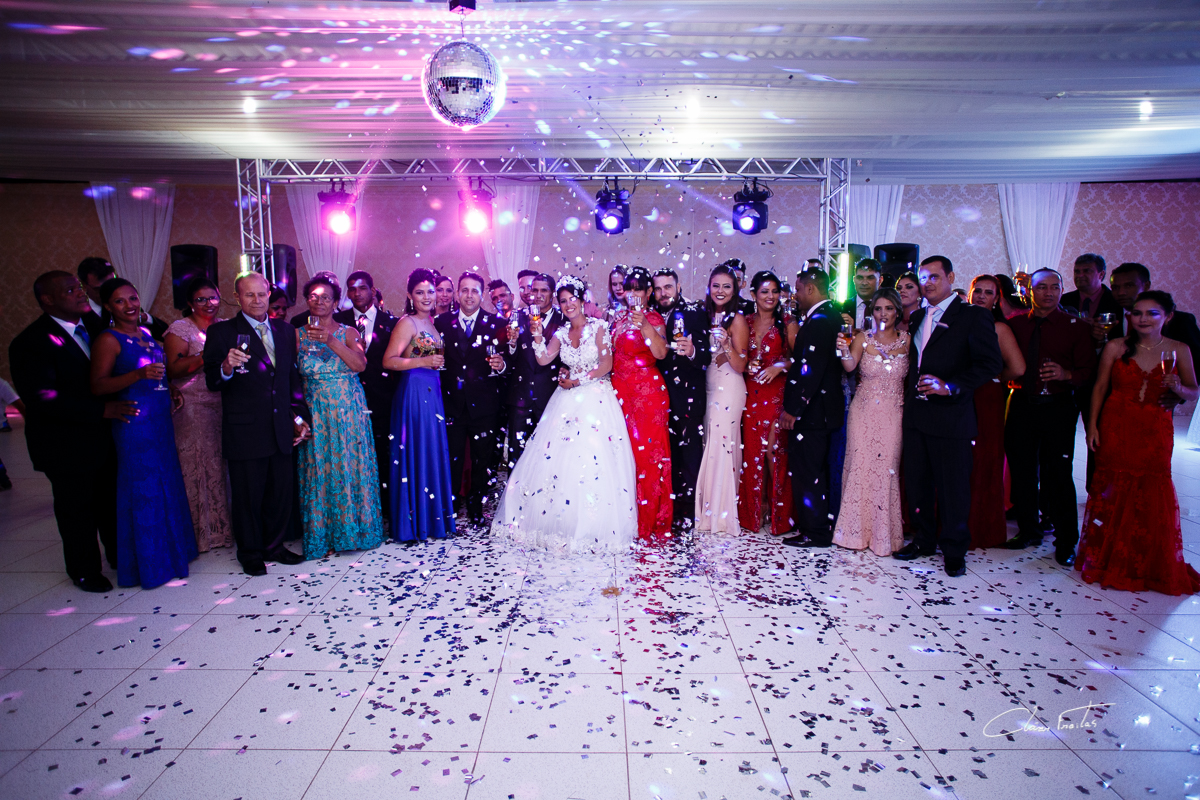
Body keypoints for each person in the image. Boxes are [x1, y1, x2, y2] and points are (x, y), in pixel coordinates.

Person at [9, 271, 134, 592]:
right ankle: (84, 570)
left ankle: (119, 556)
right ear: (47, 300)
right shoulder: (30, 342)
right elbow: (42, 398)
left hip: (105, 436)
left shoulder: (95, 327)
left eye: (78, 287)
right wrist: (100, 409)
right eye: (69, 290)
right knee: (76, 509)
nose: (79, 294)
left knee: (109, 500)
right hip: (63, 443)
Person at [492, 277, 637, 553]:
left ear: (582, 301)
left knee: (592, 459)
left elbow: (606, 364)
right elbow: (544, 359)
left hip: (595, 398)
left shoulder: (599, 327)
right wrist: (537, 337)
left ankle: (593, 525)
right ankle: (558, 522)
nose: (568, 304)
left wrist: (579, 380)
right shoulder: (559, 333)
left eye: (573, 299)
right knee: (557, 459)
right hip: (566, 400)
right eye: (563, 300)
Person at [1080, 291, 1200, 595]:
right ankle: (1107, 557)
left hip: (1155, 427)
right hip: (1117, 423)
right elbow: (1100, 387)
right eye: (1137, 313)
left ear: (1168, 317)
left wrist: (1179, 387)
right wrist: (1092, 425)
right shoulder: (1116, 347)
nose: (1143, 319)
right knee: (1113, 488)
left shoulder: (1178, 349)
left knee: (1152, 489)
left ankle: (1146, 561)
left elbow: (1194, 392)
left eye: (1152, 313)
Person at [893, 256, 1003, 576]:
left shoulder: (971, 317)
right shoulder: (915, 318)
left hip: (952, 416)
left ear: (951, 277)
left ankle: (954, 549)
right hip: (916, 415)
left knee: (953, 487)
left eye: (934, 278)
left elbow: (990, 364)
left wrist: (950, 386)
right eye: (923, 278)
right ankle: (924, 540)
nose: (927, 284)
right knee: (918, 483)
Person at [90, 278, 197, 588]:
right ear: (109, 307)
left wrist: (171, 391)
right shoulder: (108, 340)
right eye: (121, 301)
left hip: (160, 420)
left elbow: (159, 376)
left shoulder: (148, 335)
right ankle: (148, 564)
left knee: (167, 483)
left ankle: (174, 553)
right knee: (143, 490)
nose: (130, 305)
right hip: (134, 423)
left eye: (133, 298)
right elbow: (97, 385)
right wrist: (137, 374)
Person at [203, 271, 310, 576]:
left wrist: (300, 419)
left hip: (280, 427)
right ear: (237, 297)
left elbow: (291, 380)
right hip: (245, 429)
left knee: (279, 492)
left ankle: (274, 545)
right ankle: (250, 552)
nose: (256, 300)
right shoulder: (222, 333)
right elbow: (213, 380)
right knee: (248, 496)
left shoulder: (285, 330)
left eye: (261, 294)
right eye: (248, 295)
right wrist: (226, 366)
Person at [1004, 269, 1096, 565]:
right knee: (1022, 470)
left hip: (1058, 406)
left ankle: (1067, 540)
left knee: (1058, 474)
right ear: (1028, 289)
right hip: (1022, 402)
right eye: (1041, 287)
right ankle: (1029, 530)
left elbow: (1089, 373)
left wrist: (1066, 374)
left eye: (1054, 287)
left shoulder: (1076, 327)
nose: (1048, 293)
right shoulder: (1016, 325)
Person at [294, 274, 385, 558]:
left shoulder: (349, 332)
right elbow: (289, 378)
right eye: (313, 296)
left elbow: (360, 364)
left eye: (326, 297)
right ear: (307, 300)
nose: (319, 301)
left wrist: (331, 341)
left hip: (348, 410)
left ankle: (357, 531)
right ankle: (324, 535)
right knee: (319, 470)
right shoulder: (295, 335)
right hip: (316, 410)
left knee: (350, 466)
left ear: (335, 303)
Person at [832, 288, 909, 555]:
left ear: (897, 311)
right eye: (878, 309)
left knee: (887, 469)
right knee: (859, 468)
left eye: (888, 308)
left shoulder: (907, 340)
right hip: (862, 411)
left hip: (893, 412)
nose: (883, 313)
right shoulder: (863, 338)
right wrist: (843, 350)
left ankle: (883, 536)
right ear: (871, 312)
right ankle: (852, 533)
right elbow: (850, 366)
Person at [382, 268, 456, 543]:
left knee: (430, 451)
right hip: (413, 392)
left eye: (431, 291)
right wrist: (422, 362)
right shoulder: (408, 323)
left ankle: (431, 521)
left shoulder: (433, 324)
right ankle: (414, 524)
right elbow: (388, 361)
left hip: (432, 392)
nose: (427, 297)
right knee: (416, 450)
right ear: (410, 296)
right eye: (420, 292)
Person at [164, 277, 233, 552]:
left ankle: (225, 529)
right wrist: (209, 353)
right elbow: (174, 369)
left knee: (222, 465)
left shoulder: (225, 326)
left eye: (213, 298)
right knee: (198, 467)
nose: (209, 304)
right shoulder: (180, 329)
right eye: (201, 299)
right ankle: (201, 534)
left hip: (224, 402)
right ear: (190, 304)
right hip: (193, 405)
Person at [435, 272, 508, 526]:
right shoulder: (441, 322)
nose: (468, 295)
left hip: (485, 404)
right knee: (452, 458)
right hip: (451, 403)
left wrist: (500, 366)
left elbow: (508, 360)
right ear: (457, 293)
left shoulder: (497, 324)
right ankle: (451, 506)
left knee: (482, 460)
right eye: (464, 290)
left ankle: (477, 507)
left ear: (482, 294)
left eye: (474, 291)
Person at [779, 268, 844, 548]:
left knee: (810, 472)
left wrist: (794, 409)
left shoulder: (819, 320)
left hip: (814, 412)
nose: (795, 295)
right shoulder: (829, 315)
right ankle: (814, 527)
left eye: (797, 289)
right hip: (821, 411)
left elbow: (810, 371)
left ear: (809, 289)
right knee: (813, 471)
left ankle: (815, 532)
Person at [610, 266, 674, 538]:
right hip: (619, 391)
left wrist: (645, 325)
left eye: (639, 288)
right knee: (622, 456)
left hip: (647, 394)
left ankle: (649, 520)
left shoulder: (653, 317)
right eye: (630, 288)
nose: (633, 294)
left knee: (648, 458)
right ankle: (624, 518)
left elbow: (660, 353)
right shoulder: (616, 316)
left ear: (649, 292)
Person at [965, 275, 1026, 549]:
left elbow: (1019, 368)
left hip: (987, 398)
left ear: (996, 299)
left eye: (988, 293)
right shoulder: (957, 321)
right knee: (960, 461)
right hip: (960, 396)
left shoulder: (999, 327)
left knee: (984, 459)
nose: (980, 296)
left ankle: (981, 527)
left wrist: (996, 377)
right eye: (977, 291)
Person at [333, 270, 400, 516]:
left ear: (372, 290)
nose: (357, 293)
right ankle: (358, 509)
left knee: (383, 453)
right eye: (352, 289)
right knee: (352, 454)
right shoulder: (338, 321)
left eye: (362, 288)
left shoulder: (392, 322)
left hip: (382, 399)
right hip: (346, 398)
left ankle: (383, 509)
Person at [738, 271, 797, 535]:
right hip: (750, 393)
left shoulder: (788, 323)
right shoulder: (745, 322)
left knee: (774, 453)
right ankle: (755, 510)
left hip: (776, 394)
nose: (770, 296)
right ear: (753, 295)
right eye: (764, 291)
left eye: (774, 291)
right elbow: (738, 356)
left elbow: (799, 359)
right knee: (752, 455)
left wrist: (781, 365)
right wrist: (747, 364)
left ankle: (779, 515)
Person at [652, 268, 712, 529]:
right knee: (667, 454)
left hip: (687, 396)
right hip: (657, 396)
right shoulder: (650, 314)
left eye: (668, 287)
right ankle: (666, 507)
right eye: (658, 288)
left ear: (679, 288)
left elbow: (706, 356)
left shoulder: (694, 312)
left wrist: (692, 351)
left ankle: (687, 513)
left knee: (688, 455)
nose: (663, 293)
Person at [695, 265, 750, 534]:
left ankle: (720, 515)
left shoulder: (737, 319)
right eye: (716, 285)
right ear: (709, 288)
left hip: (729, 385)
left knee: (721, 445)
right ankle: (708, 509)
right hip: (708, 385)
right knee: (709, 443)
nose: (720, 291)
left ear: (735, 290)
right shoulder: (702, 315)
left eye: (726, 286)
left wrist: (726, 345)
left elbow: (741, 364)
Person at [505, 273, 565, 464]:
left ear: (553, 293)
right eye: (535, 290)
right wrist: (512, 343)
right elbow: (510, 357)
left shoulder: (564, 319)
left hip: (551, 396)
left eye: (544, 290)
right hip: (520, 397)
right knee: (517, 454)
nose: (538, 295)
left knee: (548, 454)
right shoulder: (518, 317)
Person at [1109, 262, 1200, 365]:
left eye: (1129, 285)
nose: (1121, 292)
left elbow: (1196, 362)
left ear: (1146, 285)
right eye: (1115, 287)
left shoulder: (1181, 321)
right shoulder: (1110, 320)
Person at [77, 257, 170, 341]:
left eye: (113, 285)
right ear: (84, 285)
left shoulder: (127, 304)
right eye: (100, 289)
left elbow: (165, 335)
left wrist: (146, 318)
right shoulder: (78, 312)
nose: (109, 293)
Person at [839, 258, 881, 330]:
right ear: (854, 280)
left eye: (870, 278)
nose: (864, 283)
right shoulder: (842, 308)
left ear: (880, 280)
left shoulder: (888, 308)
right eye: (860, 278)